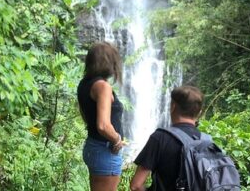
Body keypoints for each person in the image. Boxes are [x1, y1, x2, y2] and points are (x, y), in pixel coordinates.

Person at [130, 85, 204, 191]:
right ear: (199, 112)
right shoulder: (206, 141)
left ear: (172, 106)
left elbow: (136, 185)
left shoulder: (160, 138)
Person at [78, 42, 126, 191]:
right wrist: (117, 139)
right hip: (105, 150)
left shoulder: (84, 84)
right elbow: (103, 125)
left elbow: (85, 115)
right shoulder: (103, 86)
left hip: (93, 146)